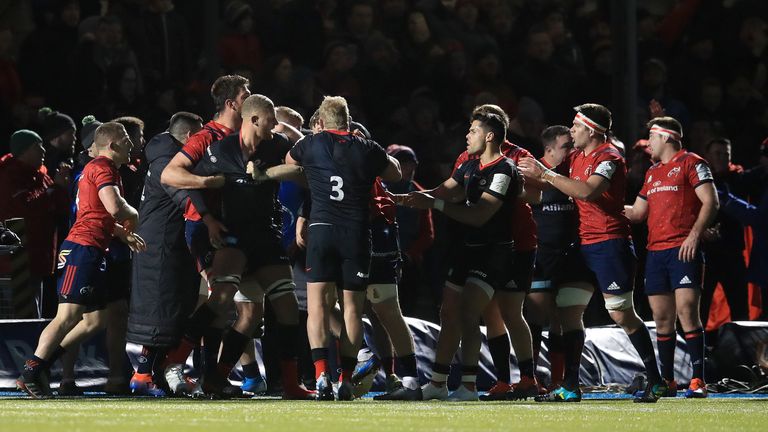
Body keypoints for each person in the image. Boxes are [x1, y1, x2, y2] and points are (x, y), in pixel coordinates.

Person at [161, 94, 313, 400]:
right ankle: (174, 361)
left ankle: (289, 384)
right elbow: (188, 180)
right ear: (255, 119)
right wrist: (208, 219)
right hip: (233, 235)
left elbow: (303, 173)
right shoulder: (220, 150)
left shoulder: (278, 146)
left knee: (286, 309)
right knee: (221, 299)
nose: (275, 125)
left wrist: (267, 174)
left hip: (267, 236)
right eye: (271, 119)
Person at [519, 103, 666, 403]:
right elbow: (542, 173)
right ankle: (571, 386)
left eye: (575, 125)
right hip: (582, 246)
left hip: (610, 244)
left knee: (621, 314)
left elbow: (587, 191)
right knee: (568, 312)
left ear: (591, 130)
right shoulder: (574, 156)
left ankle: (657, 379)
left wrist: (544, 174)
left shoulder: (610, 158)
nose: (571, 130)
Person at [395, 111, 524, 402]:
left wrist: (435, 203)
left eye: (473, 130)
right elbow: (442, 192)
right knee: (448, 312)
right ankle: (438, 383)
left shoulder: (504, 170)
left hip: (494, 253)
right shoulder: (468, 164)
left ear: (490, 136)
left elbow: (480, 214)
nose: (467, 135)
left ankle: (469, 386)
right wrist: (409, 198)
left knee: (468, 310)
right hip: (466, 250)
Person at [16, 122, 146, 398]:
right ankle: (30, 371)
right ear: (112, 146)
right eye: (126, 140)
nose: (131, 145)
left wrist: (123, 234)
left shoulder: (102, 169)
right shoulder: (103, 168)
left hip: (93, 249)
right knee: (68, 315)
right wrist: (133, 217)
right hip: (82, 249)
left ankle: (42, 365)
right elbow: (115, 207)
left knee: (95, 319)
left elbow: (98, 214)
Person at [286, 95, 402, 400]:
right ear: (348, 121)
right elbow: (395, 173)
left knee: (318, 307)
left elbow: (289, 163)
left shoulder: (312, 144)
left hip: (322, 231)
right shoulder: (365, 147)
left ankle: (322, 374)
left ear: (321, 122)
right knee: (352, 309)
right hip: (356, 233)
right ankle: (346, 379)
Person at [625, 116, 717, 399]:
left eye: (651, 137)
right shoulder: (652, 173)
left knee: (687, 311)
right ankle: (667, 380)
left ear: (666, 137)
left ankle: (698, 379)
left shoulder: (692, 162)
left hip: (682, 249)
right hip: (655, 252)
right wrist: (598, 202)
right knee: (662, 318)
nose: (648, 143)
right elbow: (638, 213)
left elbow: (711, 201)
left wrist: (694, 235)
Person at [127, 111, 204, 396]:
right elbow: (179, 193)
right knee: (161, 305)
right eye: (199, 136)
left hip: (167, 240)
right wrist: (207, 214)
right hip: (159, 243)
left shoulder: (165, 154)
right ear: (187, 136)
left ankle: (156, 372)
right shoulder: (167, 161)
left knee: (172, 305)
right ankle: (143, 373)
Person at [527, 125, 593, 400]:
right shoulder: (532, 174)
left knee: (564, 319)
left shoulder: (574, 174)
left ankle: (560, 380)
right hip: (541, 255)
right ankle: (528, 378)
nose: (572, 150)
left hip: (573, 255)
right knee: (535, 319)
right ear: (549, 149)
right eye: (567, 146)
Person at [0, 130, 69, 319]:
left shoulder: (40, 176)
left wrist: (60, 187)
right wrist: (55, 189)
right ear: (24, 150)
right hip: (16, 262)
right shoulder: (8, 176)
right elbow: (24, 211)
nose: (43, 150)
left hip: (35, 258)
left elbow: (60, 208)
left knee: (32, 314)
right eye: (38, 146)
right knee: (20, 319)